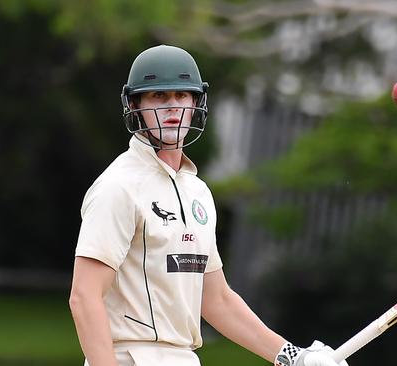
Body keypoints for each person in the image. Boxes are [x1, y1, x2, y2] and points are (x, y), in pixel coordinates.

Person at [69, 45, 349, 366]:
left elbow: (216, 300)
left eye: (182, 96)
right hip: (131, 356)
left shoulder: (197, 192)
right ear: (136, 105)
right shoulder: (119, 186)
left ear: (195, 103)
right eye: (159, 97)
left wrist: (292, 356)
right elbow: (84, 296)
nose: (173, 107)